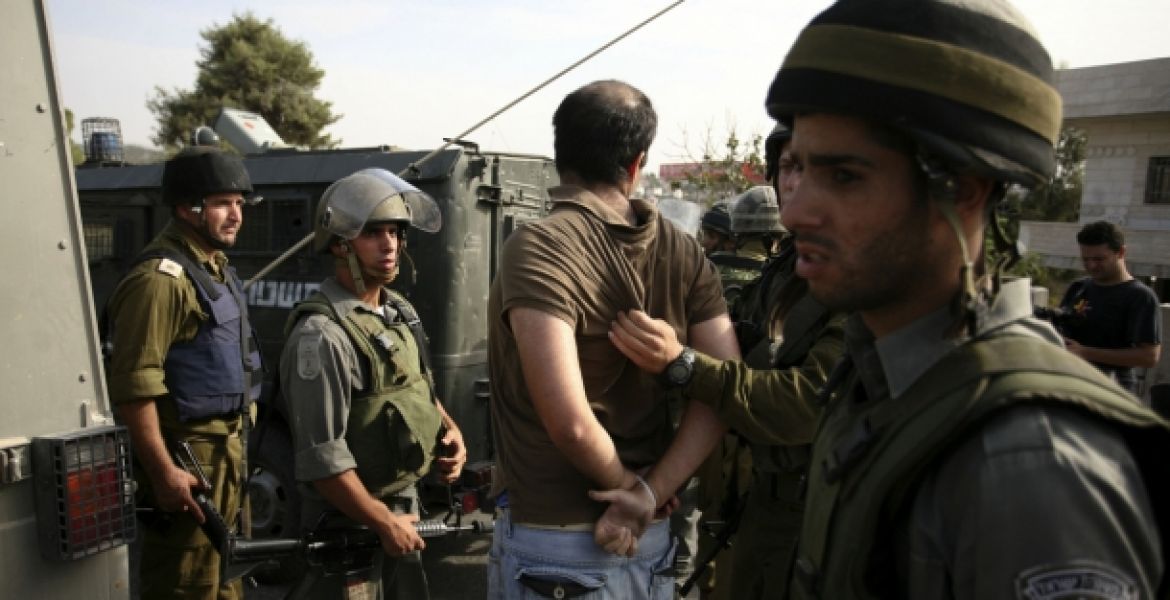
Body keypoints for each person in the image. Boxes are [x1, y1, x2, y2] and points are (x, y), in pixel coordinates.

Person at [763, 0, 1170, 597]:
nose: (796, 211)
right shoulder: (880, 376)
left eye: (844, 176)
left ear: (963, 191)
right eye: (796, 168)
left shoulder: (1030, 462)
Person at [485, 79, 739, 600]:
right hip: (648, 535)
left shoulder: (539, 245)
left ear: (560, 152)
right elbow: (725, 387)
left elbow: (573, 425)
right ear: (637, 162)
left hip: (556, 545)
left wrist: (628, 491)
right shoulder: (685, 251)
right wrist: (650, 492)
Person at [609, 123, 846, 600]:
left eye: (814, 167)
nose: (795, 182)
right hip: (754, 497)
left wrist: (684, 364)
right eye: (788, 165)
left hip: (819, 515)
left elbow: (809, 403)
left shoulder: (863, 277)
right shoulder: (785, 272)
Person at [279, 168, 466, 599]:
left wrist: (450, 429)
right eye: (372, 233)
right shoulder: (322, 335)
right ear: (340, 244)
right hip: (348, 525)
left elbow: (416, 387)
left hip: (401, 510)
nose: (390, 245)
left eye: (396, 232)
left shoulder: (397, 311)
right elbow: (322, 459)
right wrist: (381, 521)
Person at [106, 145, 262, 600]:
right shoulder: (159, 281)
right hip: (190, 467)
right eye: (222, 204)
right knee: (186, 587)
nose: (236, 215)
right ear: (185, 208)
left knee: (226, 585)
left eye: (239, 203)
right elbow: (135, 386)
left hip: (227, 462)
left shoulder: (214, 269)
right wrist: (163, 473)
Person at [1058, 220, 1162, 395]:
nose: (1091, 265)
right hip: (1071, 385)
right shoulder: (1078, 288)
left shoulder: (1139, 296)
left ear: (1121, 252)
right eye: (1086, 259)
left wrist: (1085, 352)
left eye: (1099, 259)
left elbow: (1149, 356)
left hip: (1112, 391)